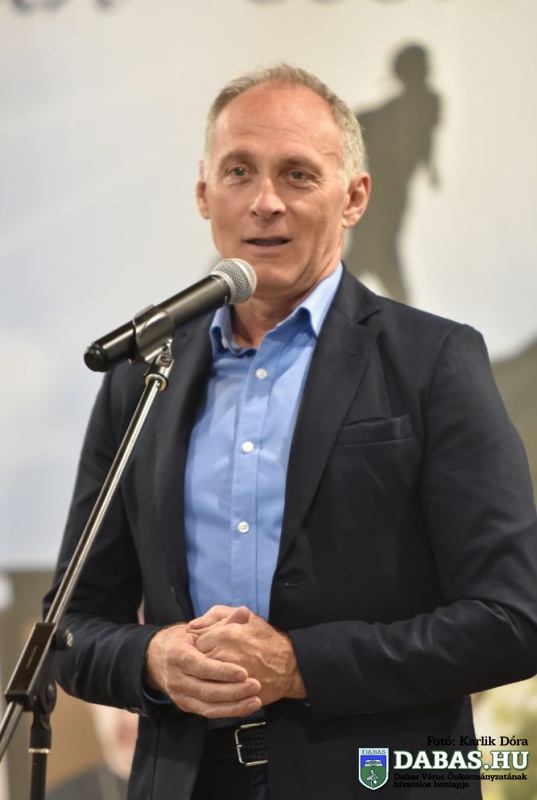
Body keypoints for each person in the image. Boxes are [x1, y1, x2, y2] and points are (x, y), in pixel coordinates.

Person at [45, 64, 537, 800]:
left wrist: (300, 666)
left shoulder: (434, 360)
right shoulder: (143, 374)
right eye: (239, 171)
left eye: (298, 175)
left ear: (354, 197)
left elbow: (513, 619)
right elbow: (71, 628)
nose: (265, 201)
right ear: (204, 193)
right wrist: (153, 659)